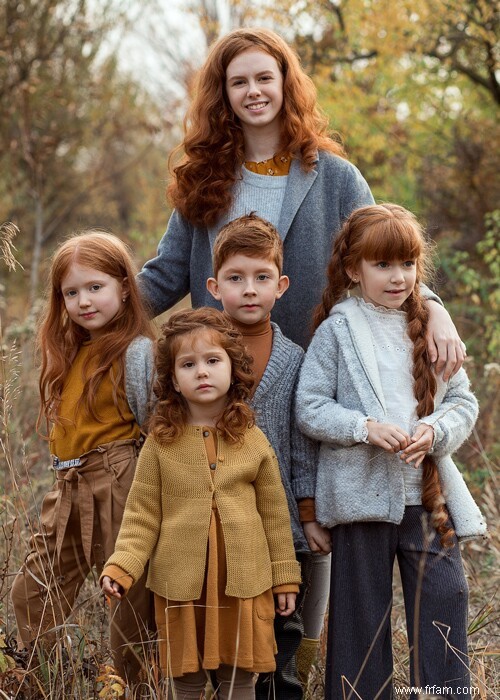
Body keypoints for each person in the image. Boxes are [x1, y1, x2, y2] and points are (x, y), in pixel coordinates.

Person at [137, 26, 465, 381]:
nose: (254, 91)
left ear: (284, 82)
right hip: (220, 381)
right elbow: (164, 276)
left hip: (316, 380)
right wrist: (95, 307)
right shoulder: (203, 179)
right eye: (239, 82)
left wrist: (433, 309)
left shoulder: (337, 178)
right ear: (223, 93)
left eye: (264, 77)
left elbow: (384, 254)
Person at [295, 204, 487, 699]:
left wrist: (435, 429)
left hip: (427, 499)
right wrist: (362, 427)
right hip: (361, 500)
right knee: (361, 615)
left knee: (447, 597)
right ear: (354, 270)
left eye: (407, 264)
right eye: (382, 265)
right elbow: (310, 407)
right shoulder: (338, 331)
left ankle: (444, 693)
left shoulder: (430, 327)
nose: (398, 277)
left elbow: (463, 401)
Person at [100, 307, 302, 700]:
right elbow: (142, 515)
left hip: (244, 584)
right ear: (172, 379)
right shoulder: (161, 443)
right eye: (188, 364)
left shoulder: (253, 439)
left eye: (213, 360)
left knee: (239, 678)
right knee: (185, 678)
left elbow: (276, 517)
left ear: (234, 368)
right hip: (181, 586)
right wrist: (122, 566)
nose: (202, 372)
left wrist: (284, 577)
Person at [10, 231, 155, 684]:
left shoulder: (137, 352)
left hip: (119, 480)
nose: (83, 301)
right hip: (67, 488)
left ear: (124, 288)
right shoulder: (69, 351)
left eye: (95, 288)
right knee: (33, 590)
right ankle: (51, 680)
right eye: (71, 292)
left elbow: (154, 426)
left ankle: (133, 686)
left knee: (129, 600)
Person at [206, 212, 331, 698]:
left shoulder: (296, 359)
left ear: (281, 286)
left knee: (282, 637)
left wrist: (309, 513)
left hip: (280, 530)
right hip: (219, 520)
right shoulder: (201, 352)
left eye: (261, 278)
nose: (250, 290)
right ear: (215, 286)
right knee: (227, 639)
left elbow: (302, 445)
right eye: (237, 279)